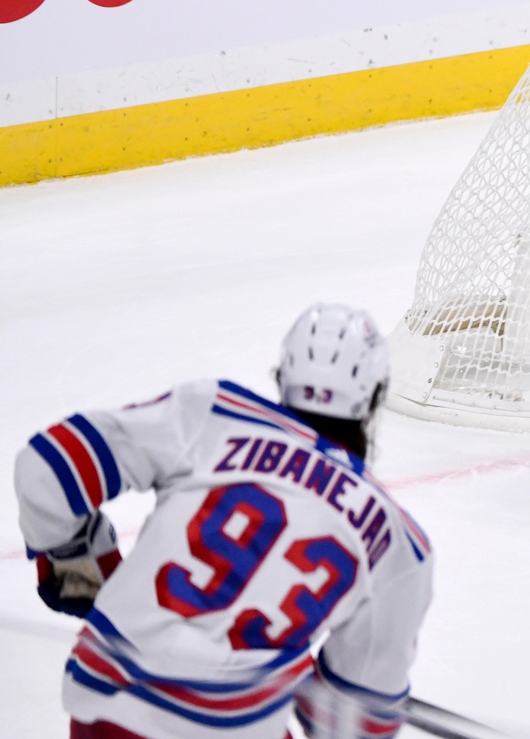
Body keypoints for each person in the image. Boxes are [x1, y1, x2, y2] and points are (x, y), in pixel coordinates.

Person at [14, 304, 434, 739]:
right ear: (373, 400)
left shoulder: (216, 412)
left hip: (108, 709)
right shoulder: (398, 542)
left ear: (282, 378)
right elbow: (351, 728)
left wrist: (79, 560)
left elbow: (46, 470)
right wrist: (319, 689)